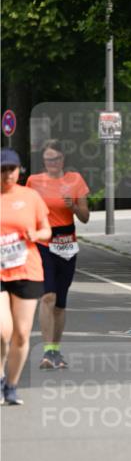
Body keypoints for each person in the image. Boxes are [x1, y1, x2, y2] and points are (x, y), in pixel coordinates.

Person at [26, 139, 90, 369]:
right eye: (47, 159)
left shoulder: (75, 180)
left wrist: (73, 206)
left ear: (63, 159)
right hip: (43, 244)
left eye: (55, 158)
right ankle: (47, 352)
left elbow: (85, 217)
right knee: (48, 297)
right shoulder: (33, 181)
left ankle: (55, 350)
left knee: (60, 303)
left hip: (66, 245)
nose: (52, 162)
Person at [1, 148, 51, 405]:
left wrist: (36, 235)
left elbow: (47, 230)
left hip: (26, 270)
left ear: (19, 170)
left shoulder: (30, 197)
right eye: (2, 170)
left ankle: (11, 385)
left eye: (11, 169)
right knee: (2, 331)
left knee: (21, 334)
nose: (7, 174)